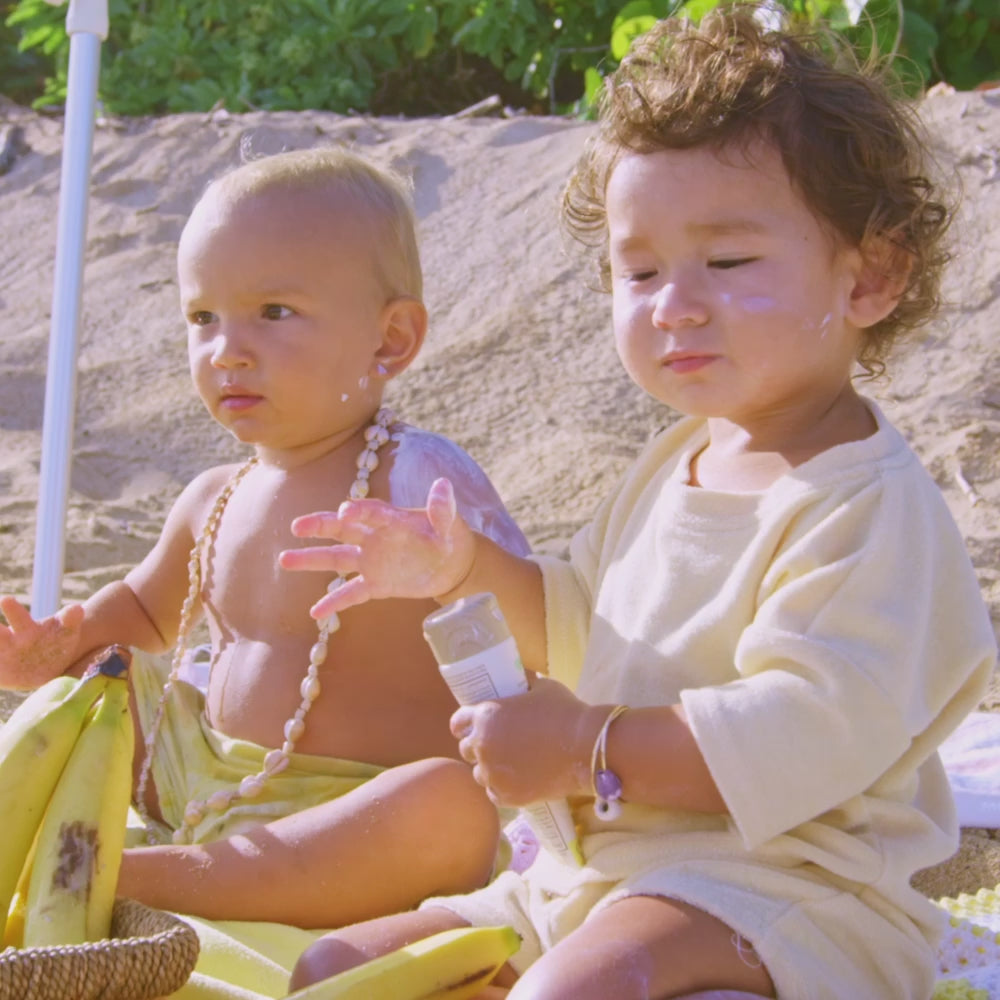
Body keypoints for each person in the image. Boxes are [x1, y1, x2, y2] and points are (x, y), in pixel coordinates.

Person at [279, 7, 997, 999]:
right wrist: (461, 569)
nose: (674, 304)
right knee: (341, 971)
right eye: (641, 270)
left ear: (870, 276)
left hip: (789, 892)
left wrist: (585, 746)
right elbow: (580, 623)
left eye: (728, 262)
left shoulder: (865, 510)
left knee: (575, 988)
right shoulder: (674, 463)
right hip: (596, 881)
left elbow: (803, 729)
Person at [0, 146, 532, 929]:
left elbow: (530, 630)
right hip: (198, 779)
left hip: (347, 814)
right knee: (98, 682)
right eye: (203, 318)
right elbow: (143, 614)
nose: (228, 350)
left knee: (451, 808)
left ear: (390, 340)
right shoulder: (212, 497)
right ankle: (131, 862)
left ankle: (149, 879)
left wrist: (450, 567)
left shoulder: (418, 481)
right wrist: (59, 648)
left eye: (273, 313)